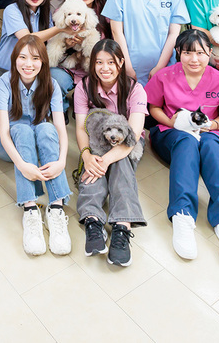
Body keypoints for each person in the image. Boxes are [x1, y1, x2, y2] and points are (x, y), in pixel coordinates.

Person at [145, 30, 219, 266]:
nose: (194, 59)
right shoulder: (164, 76)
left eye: (200, 53)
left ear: (210, 53)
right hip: (171, 134)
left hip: (210, 132)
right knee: (187, 141)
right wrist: (174, 123)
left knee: (211, 146)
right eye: (188, 52)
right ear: (179, 53)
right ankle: (183, 215)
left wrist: (213, 126)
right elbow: (154, 107)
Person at [0, 35, 72, 256]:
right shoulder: (4, 82)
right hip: (5, 143)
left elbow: (60, 129)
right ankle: (30, 208)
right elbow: (5, 133)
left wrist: (61, 162)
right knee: (22, 130)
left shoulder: (51, 84)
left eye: (35, 58)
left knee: (46, 129)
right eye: (23, 57)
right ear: (14, 59)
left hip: (35, 138)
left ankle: (56, 208)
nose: (28, 64)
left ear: (43, 61)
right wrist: (23, 165)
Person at [74, 39, 147, 266]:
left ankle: (121, 228)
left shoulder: (135, 89)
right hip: (96, 142)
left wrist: (105, 160)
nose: (104, 68)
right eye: (99, 62)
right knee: (92, 166)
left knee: (121, 165)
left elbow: (132, 136)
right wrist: (87, 155)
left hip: (127, 144)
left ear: (121, 63)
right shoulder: (83, 87)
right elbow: (80, 127)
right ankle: (93, 221)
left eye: (111, 62)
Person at [0, 0, 75, 109]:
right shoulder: (12, 10)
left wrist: (67, 43)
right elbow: (27, 39)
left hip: (31, 68)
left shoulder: (46, 13)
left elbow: (50, 39)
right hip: (6, 66)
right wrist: (60, 28)